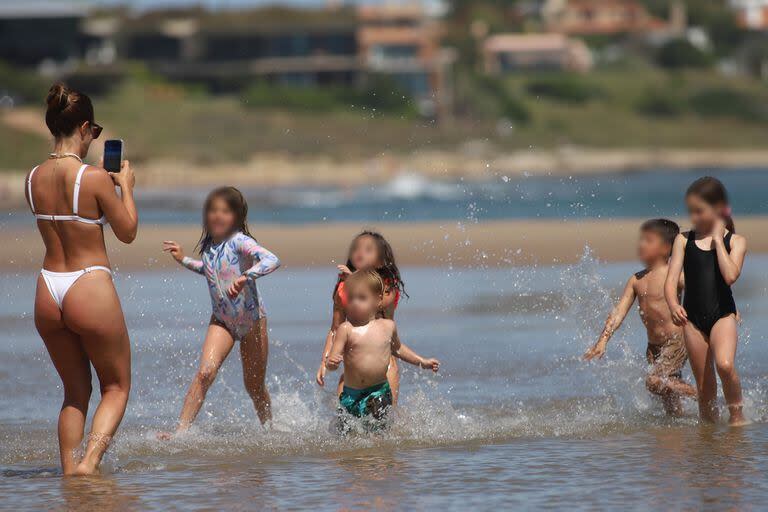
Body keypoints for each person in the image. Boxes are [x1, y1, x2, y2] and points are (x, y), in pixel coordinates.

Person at [26, 83, 138, 475]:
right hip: (88, 283)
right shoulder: (93, 178)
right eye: (95, 133)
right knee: (116, 387)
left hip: (48, 287)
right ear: (86, 128)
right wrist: (126, 189)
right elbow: (126, 231)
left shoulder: (33, 177)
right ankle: (89, 463)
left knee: (74, 393)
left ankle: (68, 472)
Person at [160, 187, 280, 438]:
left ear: (236, 217)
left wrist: (247, 276)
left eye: (224, 211)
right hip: (222, 321)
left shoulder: (241, 242)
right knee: (205, 373)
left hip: (252, 322)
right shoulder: (209, 246)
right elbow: (209, 270)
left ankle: (271, 431)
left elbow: (272, 260)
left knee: (254, 387)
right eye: (212, 211)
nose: (217, 216)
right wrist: (182, 259)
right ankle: (180, 433)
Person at [584, 219, 696, 415]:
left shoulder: (674, 274)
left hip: (677, 341)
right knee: (667, 396)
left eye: (648, 240)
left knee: (654, 382)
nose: (641, 244)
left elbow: (702, 291)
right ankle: (678, 426)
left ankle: (701, 394)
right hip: (653, 347)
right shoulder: (636, 280)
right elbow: (618, 313)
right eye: (641, 240)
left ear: (666, 247)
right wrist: (602, 341)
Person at [664, 177, 748, 426]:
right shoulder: (682, 240)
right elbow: (670, 281)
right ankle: (708, 434)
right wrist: (672, 305)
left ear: (719, 208)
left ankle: (737, 417)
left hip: (723, 315)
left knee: (724, 364)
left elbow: (730, 276)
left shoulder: (736, 241)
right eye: (691, 211)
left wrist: (717, 242)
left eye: (699, 210)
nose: (694, 216)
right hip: (691, 319)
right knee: (705, 386)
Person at [325, 270, 439, 432]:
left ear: (378, 300)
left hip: (379, 391)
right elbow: (332, 362)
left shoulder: (387, 326)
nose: (355, 303)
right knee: (348, 435)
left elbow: (398, 349)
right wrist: (332, 363)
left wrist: (423, 362)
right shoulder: (346, 330)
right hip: (351, 395)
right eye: (351, 298)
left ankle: (381, 457)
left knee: (379, 433)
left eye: (362, 298)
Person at [315, 231, 406, 404]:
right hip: (352, 372)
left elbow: (377, 303)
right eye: (356, 248)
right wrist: (324, 361)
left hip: (384, 368)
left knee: (384, 424)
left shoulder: (386, 287)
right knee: (345, 421)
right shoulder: (343, 289)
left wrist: (354, 280)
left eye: (368, 250)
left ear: (381, 261)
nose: (359, 252)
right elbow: (335, 328)